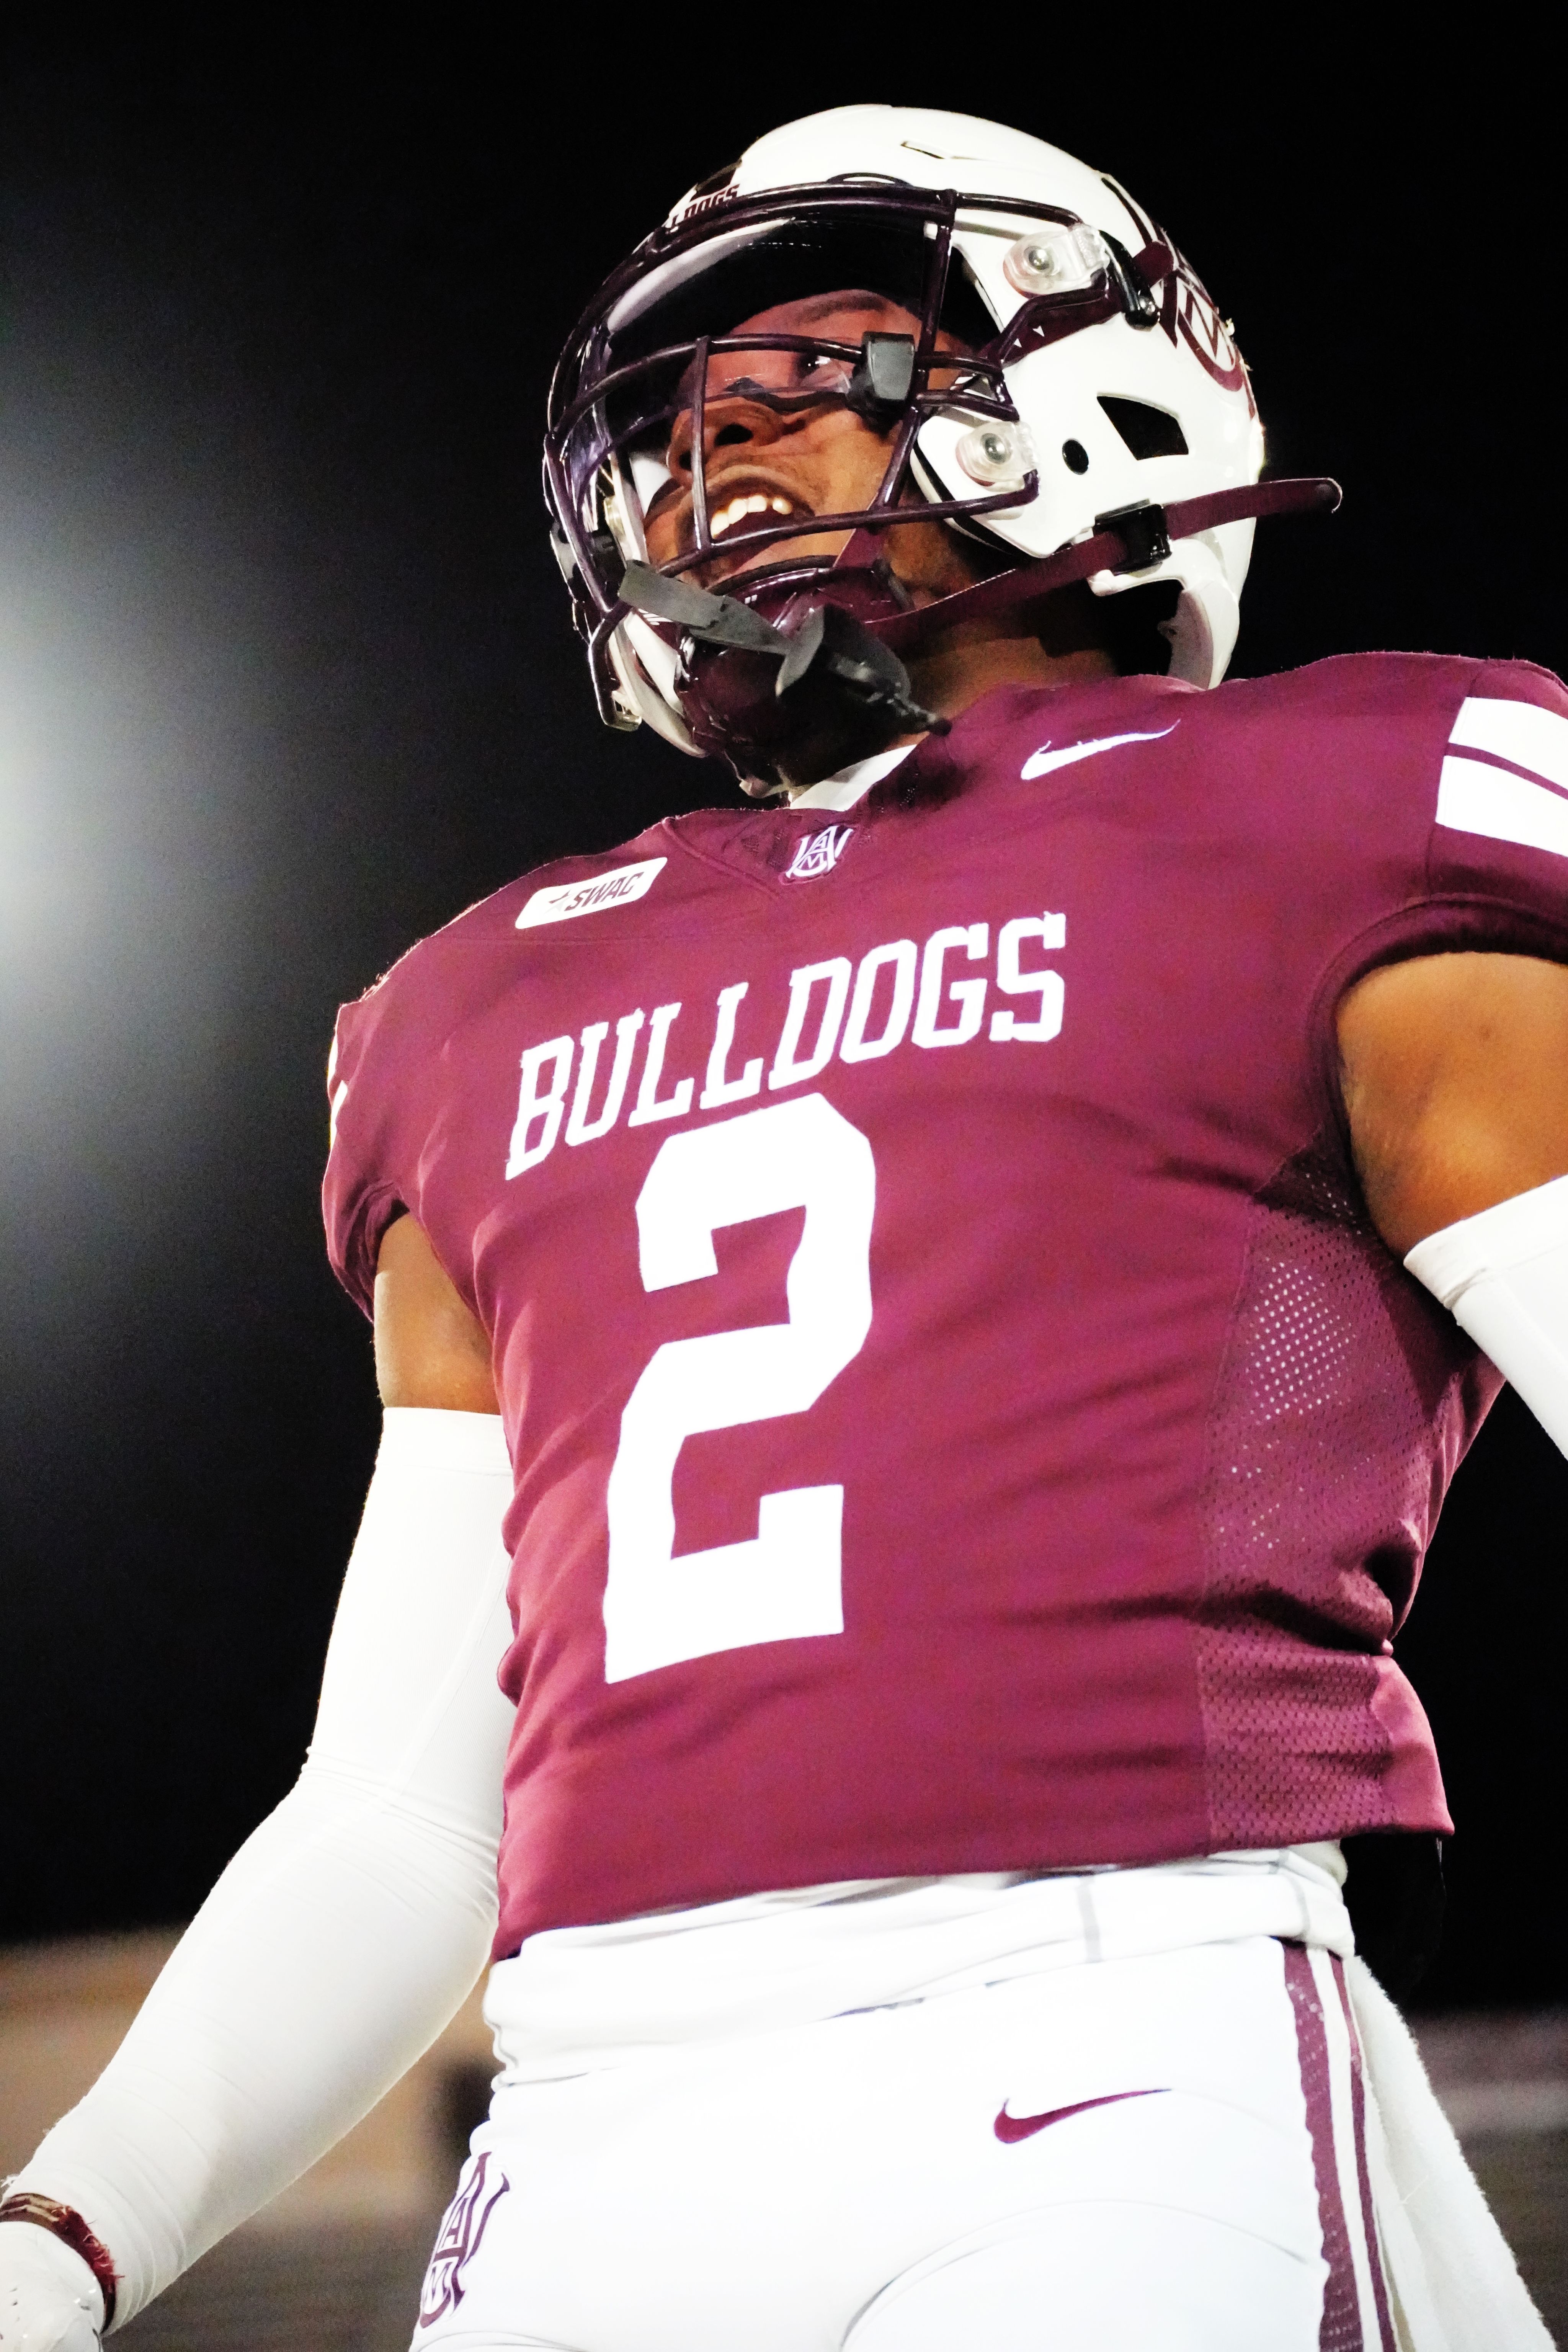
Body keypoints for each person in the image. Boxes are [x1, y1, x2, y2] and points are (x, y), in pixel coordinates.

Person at [3, 103, 1565, 2352]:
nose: (722, 429)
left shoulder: (1336, 809)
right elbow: (399, 1825)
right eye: (689, 400)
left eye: (818, 362)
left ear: (1100, 377)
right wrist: (65, 2235)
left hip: (1113, 2035)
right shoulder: (489, 996)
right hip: (584, 2121)